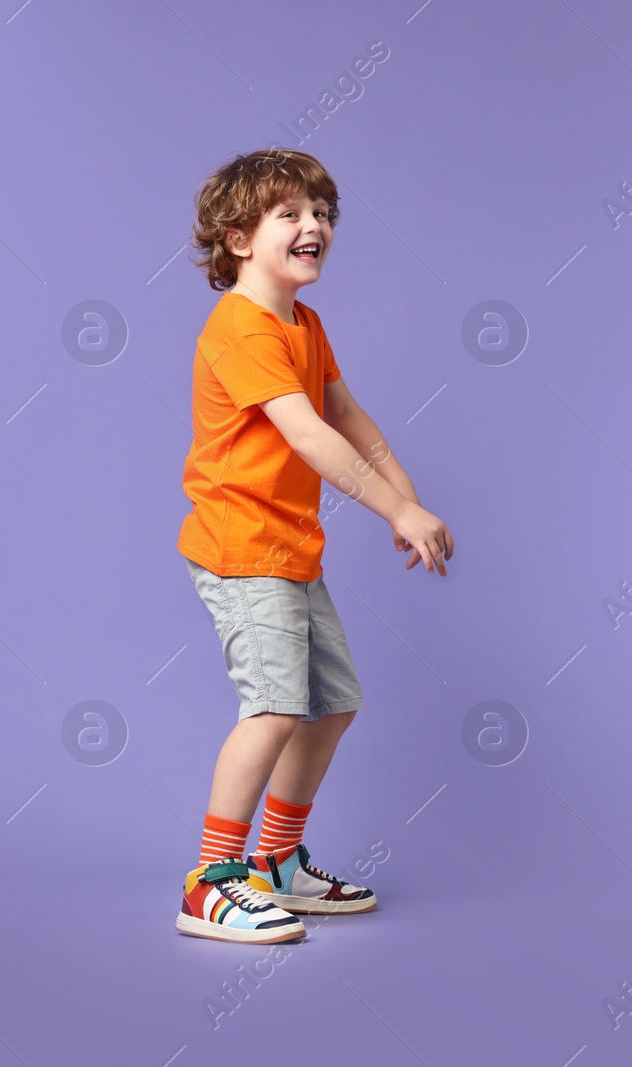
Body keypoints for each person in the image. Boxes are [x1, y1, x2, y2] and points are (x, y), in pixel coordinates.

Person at [174, 148, 454, 943]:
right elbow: (305, 436)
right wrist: (394, 514)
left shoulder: (305, 323)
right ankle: (212, 880)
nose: (315, 226)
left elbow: (350, 420)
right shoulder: (240, 328)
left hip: (291, 548)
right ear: (237, 237)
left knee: (331, 705)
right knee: (272, 707)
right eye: (290, 213)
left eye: (323, 213)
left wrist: (410, 499)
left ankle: (276, 864)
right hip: (241, 548)